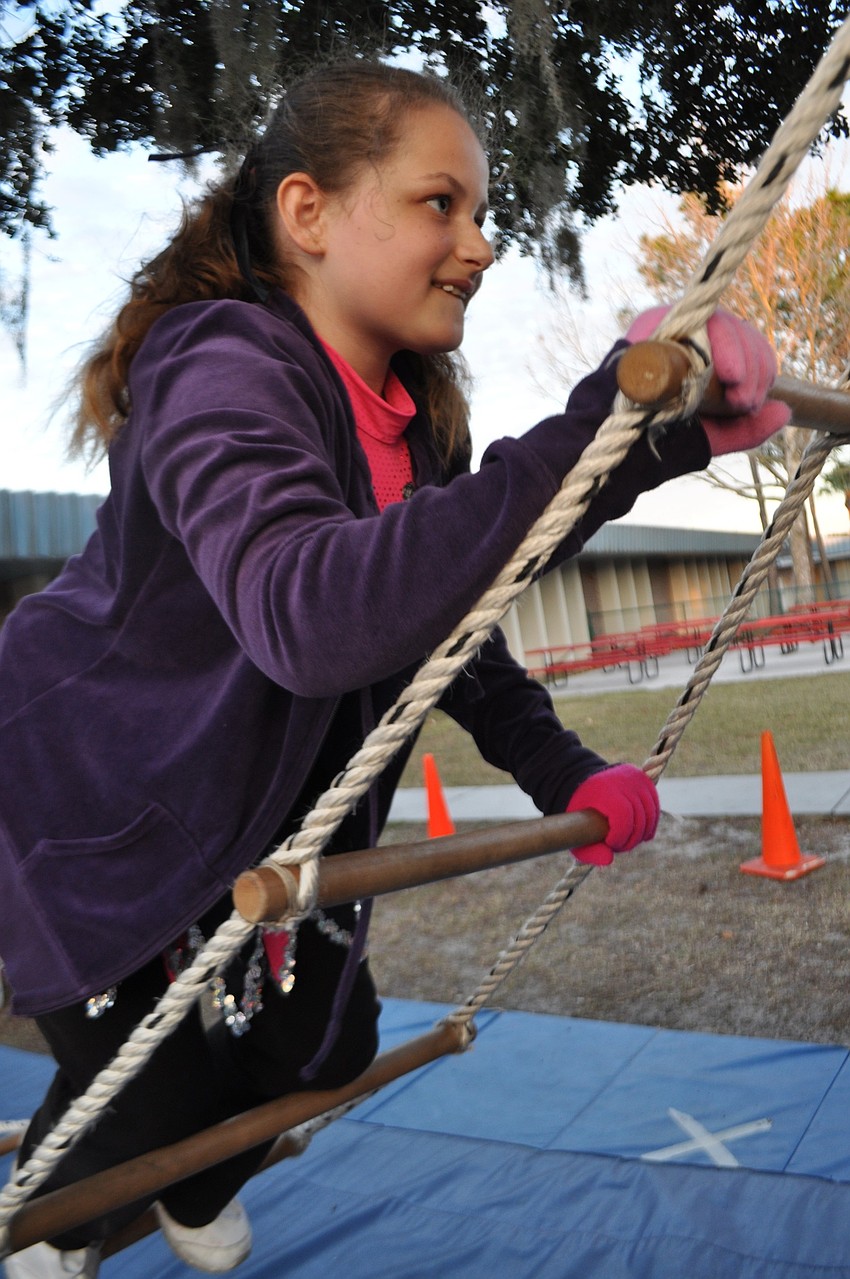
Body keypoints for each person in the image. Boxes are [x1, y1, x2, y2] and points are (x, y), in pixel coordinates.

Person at [0, 58, 789, 1278]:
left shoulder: (414, 425)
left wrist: (560, 765)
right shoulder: (217, 363)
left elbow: (439, 629)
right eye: (440, 204)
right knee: (148, 1109)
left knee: (325, 1047)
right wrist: (606, 432)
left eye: (482, 212)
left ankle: (189, 1174)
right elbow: (309, 613)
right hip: (96, 798)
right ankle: (57, 1229)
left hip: (257, 813)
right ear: (307, 213)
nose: (479, 245)